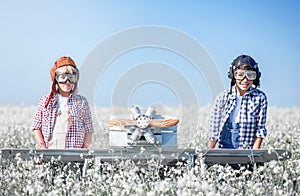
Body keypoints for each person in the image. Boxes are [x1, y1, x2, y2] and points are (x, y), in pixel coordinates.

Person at [32, 56, 94, 149]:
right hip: (50, 152)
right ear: (56, 79)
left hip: (75, 155)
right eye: (63, 77)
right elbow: (37, 127)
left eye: (71, 78)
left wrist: (84, 150)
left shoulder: (82, 102)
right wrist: (43, 148)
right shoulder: (45, 100)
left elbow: (89, 129)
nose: (67, 82)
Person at [208, 54, 267, 149]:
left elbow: (260, 130)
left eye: (250, 75)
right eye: (240, 75)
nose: (245, 80)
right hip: (224, 148)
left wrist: (255, 156)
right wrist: (207, 156)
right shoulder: (223, 97)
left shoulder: (260, 97)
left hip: (247, 149)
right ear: (233, 75)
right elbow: (214, 129)